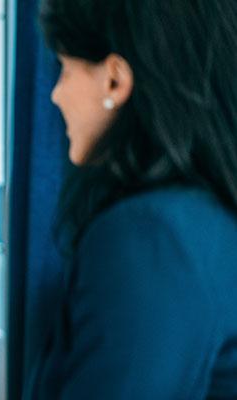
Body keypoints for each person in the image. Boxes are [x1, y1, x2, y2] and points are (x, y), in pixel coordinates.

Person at [28, 0, 237, 398]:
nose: (56, 95)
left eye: (65, 69)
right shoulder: (208, 216)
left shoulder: (148, 235)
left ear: (114, 80)